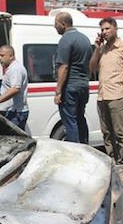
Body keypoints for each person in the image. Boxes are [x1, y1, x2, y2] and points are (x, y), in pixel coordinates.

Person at [89, 17, 123, 165]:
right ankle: (112, 159)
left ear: (115, 29)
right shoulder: (102, 49)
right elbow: (91, 68)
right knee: (106, 132)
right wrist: (97, 48)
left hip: (117, 95)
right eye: (102, 29)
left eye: (107, 29)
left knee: (119, 131)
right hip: (102, 95)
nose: (104, 32)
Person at [54, 11, 92, 144]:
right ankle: (85, 147)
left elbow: (64, 67)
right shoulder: (85, 39)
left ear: (63, 24)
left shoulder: (65, 39)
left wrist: (58, 91)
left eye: (56, 24)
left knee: (70, 121)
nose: (55, 27)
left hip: (70, 86)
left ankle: (75, 152)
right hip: (83, 85)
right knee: (80, 118)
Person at [0, 45, 29, 130]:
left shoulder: (16, 69)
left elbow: (15, 89)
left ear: (11, 56)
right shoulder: (10, 68)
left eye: (2, 55)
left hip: (16, 112)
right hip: (12, 111)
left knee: (14, 140)